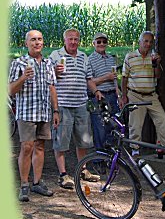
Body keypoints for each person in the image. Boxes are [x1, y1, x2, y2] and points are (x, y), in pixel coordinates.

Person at [8, 30, 60, 201]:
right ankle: (24, 184)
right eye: (33, 40)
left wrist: (56, 110)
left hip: (44, 112)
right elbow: (10, 90)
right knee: (27, 147)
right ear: (26, 43)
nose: (37, 42)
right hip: (26, 113)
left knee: (40, 146)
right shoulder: (19, 63)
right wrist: (23, 78)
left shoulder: (48, 64)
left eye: (39, 39)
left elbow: (52, 87)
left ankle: (37, 182)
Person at [49, 28, 102, 189]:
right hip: (63, 104)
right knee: (61, 141)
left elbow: (89, 79)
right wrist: (55, 73)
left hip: (81, 104)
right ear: (64, 40)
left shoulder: (83, 57)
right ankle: (63, 175)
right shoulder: (55, 56)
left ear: (79, 41)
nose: (73, 42)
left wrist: (96, 91)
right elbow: (48, 80)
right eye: (70, 39)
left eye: (76, 39)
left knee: (83, 140)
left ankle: (82, 170)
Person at [121, 31, 165, 157]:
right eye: (145, 41)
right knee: (135, 124)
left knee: (162, 119)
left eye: (150, 42)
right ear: (140, 42)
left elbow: (158, 76)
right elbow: (124, 77)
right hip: (135, 94)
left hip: (151, 95)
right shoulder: (130, 56)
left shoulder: (153, 57)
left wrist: (157, 64)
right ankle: (135, 150)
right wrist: (124, 96)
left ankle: (161, 147)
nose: (148, 44)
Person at [88, 32, 122, 149]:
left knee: (113, 127)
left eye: (104, 41)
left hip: (112, 95)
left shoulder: (111, 59)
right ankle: (99, 159)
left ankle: (112, 158)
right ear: (94, 44)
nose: (101, 44)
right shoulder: (90, 60)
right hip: (99, 97)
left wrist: (118, 93)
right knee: (100, 129)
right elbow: (89, 82)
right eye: (99, 42)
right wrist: (106, 78)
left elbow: (114, 79)